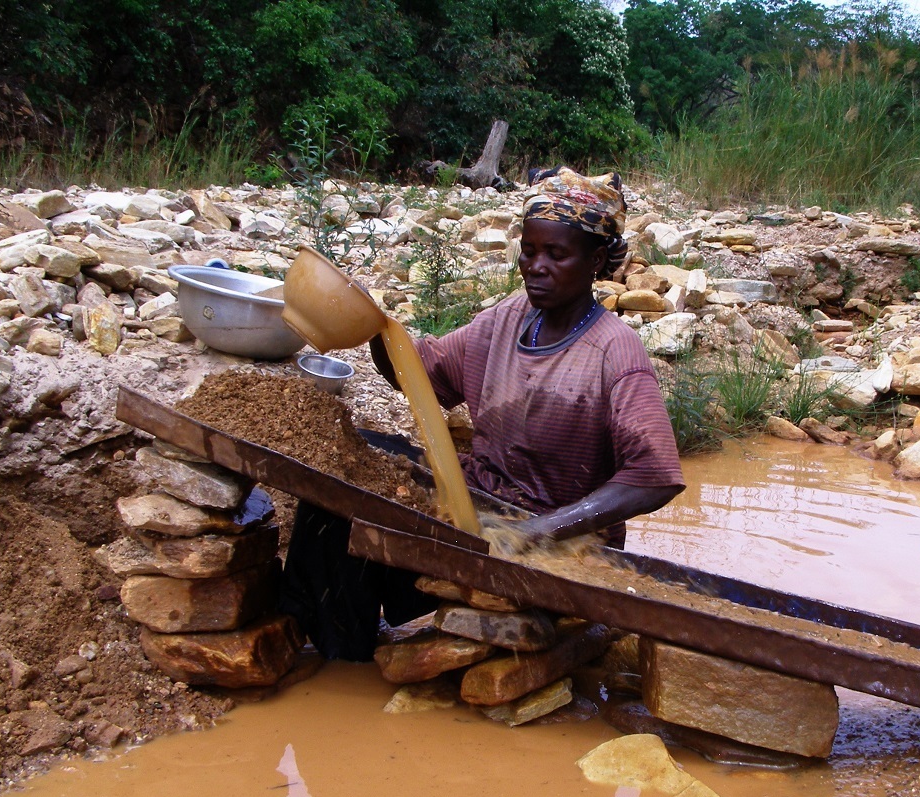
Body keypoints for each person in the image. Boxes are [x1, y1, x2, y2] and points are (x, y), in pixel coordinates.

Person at [279, 166, 685, 660]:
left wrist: (542, 530)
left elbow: (654, 476)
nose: (537, 266)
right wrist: (373, 325)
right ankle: (324, 639)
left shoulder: (614, 352)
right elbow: (424, 377)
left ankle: (342, 658)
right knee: (353, 467)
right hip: (478, 505)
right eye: (530, 250)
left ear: (596, 259)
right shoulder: (506, 319)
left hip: (550, 537)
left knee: (360, 505)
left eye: (557, 255)